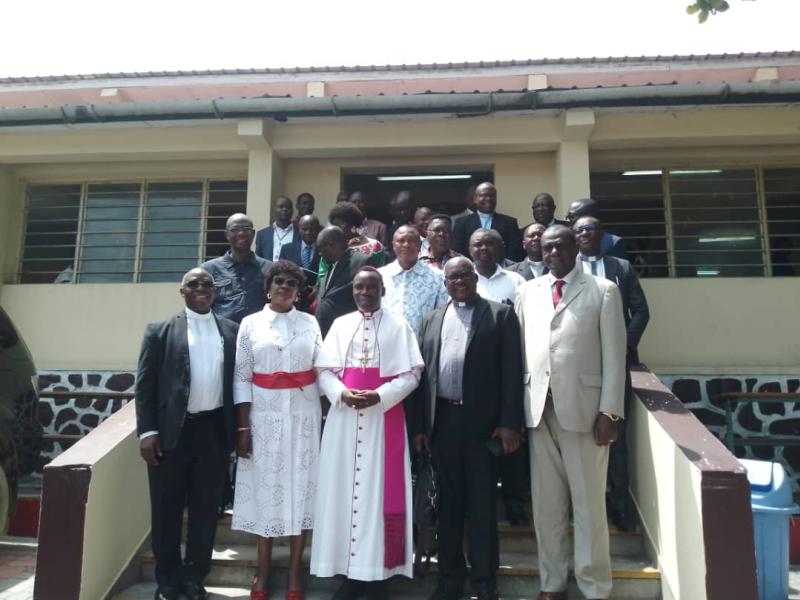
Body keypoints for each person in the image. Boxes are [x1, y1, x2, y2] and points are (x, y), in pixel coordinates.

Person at [515, 225, 626, 600]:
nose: (554, 253)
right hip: (538, 411)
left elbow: (615, 354)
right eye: (547, 248)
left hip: (585, 413)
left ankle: (594, 587)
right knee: (546, 508)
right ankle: (552, 583)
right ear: (540, 252)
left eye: (561, 245)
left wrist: (610, 411)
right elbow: (518, 351)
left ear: (575, 247)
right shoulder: (527, 292)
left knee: (589, 506)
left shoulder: (603, 290)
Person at [412, 257, 524, 600]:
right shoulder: (430, 320)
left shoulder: (500, 315)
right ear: (444, 283)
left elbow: (511, 372)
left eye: (464, 274)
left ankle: (484, 582)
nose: (458, 280)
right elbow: (422, 378)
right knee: (447, 506)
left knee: (481, 506)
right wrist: (419, 427)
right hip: (442, 424)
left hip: (483, 427)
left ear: (474, 278)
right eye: (452, 277)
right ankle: (449, 580)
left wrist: (508, 424)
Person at [312, 267, 423, 600]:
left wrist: (382, 395)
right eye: (359, 287)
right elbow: (324, 370)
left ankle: (378, 576)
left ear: (382, 290)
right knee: (343, 494)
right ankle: (348, 574)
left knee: (377, 495)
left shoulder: (399, 325)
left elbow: (412, 373)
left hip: (383, 421)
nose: (364, 292)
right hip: (344, 422)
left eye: (371, 287)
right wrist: (340, 393)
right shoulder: (341, 325)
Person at [135, 268, 239, 600]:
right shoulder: (160, 331)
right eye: (193, 284)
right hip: (170, 435)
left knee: (205, 509)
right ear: (182, 292)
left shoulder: (231, 332)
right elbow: (145, 386)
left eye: (207, 284)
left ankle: (195, 576)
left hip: (213, 433)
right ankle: (167, 580)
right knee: (166, 508)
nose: (201, 289)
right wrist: (147, 431)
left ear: (215, 291)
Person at [232, 261, 323, 600]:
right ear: (268, 287)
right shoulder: (250, 324)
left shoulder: (311, 323)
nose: (285, 287)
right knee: (266, 492)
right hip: (263, 418)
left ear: (299, 291)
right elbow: (241, 376)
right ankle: (263, 571)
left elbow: (322, 368)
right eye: (279, 281)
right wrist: (243, 426)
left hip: (304, 418)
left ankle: (296, 573)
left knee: (302, 492)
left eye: (291, 284)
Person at [573, 216, 650, 531]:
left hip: (614, 365)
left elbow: (641, 310)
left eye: (590, 229)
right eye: (578, 230)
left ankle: (619, 508)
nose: (584, 234)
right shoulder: (566, 269)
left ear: (601, 234)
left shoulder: (621, 267)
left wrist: (620, 344)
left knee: (615, 438)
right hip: (578, 367)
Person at [378, 224, 448, 336]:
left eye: (411, 241)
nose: (406, 245)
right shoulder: (380, 276)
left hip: (421, 347)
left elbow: (441, 317)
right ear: (393, 245)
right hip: (386, 344)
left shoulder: (437, 278)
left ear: (420, 245)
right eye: (401, 240)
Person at [203, 213, 272, 324]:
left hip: (259, 335)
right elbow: (203, 306)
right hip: (223, 335)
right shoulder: (209, 269)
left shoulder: (269, 268)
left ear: (253, 234)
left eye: (246, 229)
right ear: (226, 235)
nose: (241, 233)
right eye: (235, 230)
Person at [314, 226, 376, 337]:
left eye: (320, 249)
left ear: (331, 245)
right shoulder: (331, 266)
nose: (319, 254)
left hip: (348, 334)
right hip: (325, 335)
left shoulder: (361, 261)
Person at [317, 202, 385, 289]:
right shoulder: (331, 247)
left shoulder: (376, 246)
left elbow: (380, 274)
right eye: (334, 226)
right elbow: (322, 277)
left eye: (340, 225)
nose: (336, 229)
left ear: (353, 225)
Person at [451, 182, 523, 261]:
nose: (488, 199)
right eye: (484, 195)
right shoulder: (462, 223)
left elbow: (515, 252)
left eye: (492, 196)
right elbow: (458, 251)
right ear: (475, 199)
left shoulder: (509, 223)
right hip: (471, 270)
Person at [468, 228, 526, 306]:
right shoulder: (464, 283)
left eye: (489, 244)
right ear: (470, 251)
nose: (483, 248)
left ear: (498, 248)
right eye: (478, 244)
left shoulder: (516, 280)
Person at [280, 215, 322, 313]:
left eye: (312, 229)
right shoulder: (287, 249)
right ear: (299, 229)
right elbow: (281, 274)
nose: (308, 232)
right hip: (292, 303)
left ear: (319, 229)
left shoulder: (325, 250)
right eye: (305, 229)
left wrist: (319, 287)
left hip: (316, 303)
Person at [256, 196, 300, 262]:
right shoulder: (262, 234)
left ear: (292, 211)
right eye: (281, 207)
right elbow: (258, 259)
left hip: (292, 271)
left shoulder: (300, 233)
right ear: (274, 210)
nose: (285, 209)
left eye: (288, 207)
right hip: (268, 271)